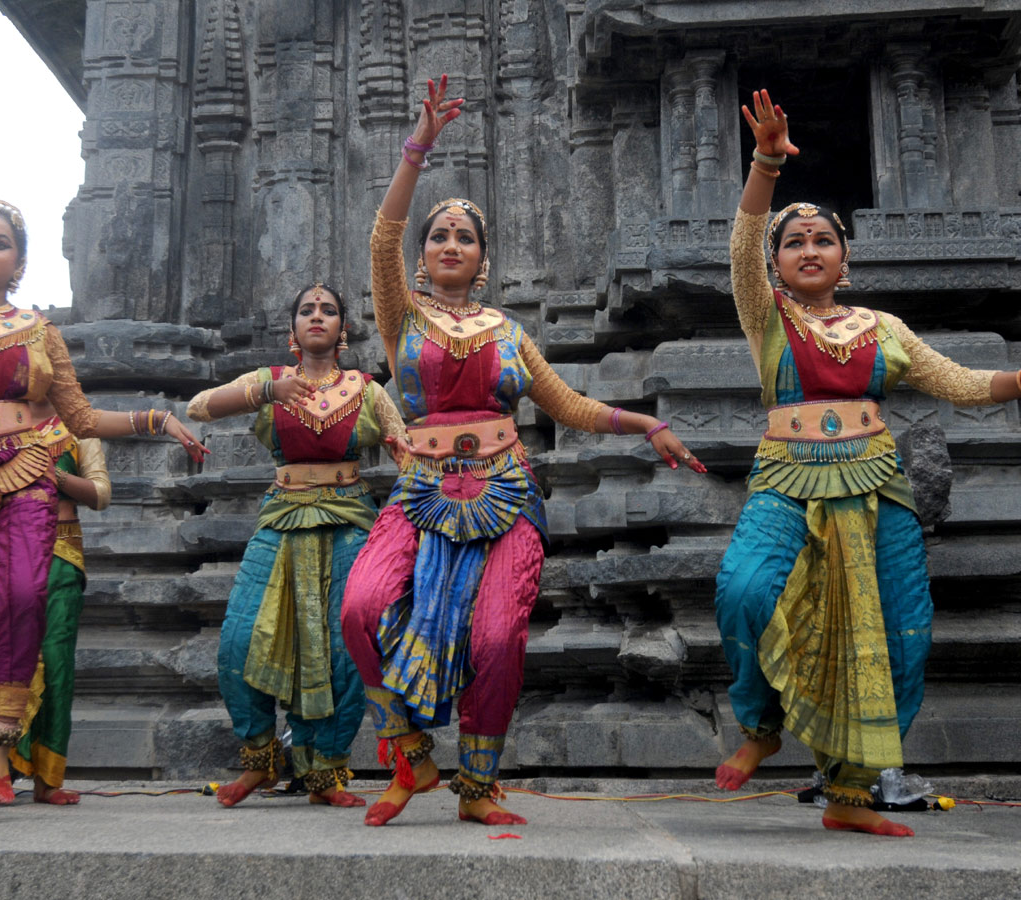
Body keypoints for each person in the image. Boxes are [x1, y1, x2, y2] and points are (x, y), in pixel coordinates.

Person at [340, 75, 706, 828]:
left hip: (505, 492)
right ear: (425, 253)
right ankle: (409, 752)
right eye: (438, 234)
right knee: (362, 606)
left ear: (482, 258)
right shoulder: (400, 318)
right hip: (420, 489)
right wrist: (420, 145)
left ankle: (478, 786)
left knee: (498, 636)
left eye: (464, 236)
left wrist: (645, 425)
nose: (449, 244)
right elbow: (382, 235)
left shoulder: (509, 332)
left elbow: (566, 404)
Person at [714, 91, 1021, 837]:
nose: (810, 248)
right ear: (779, 266)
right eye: (795, 242)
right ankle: (761, 724)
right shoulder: (767, 316)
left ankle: (850, 794)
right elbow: (743, 240)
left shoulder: (883, 328)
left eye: (824, 240)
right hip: (788, 474)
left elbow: (964, 385)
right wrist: (765, 165)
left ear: (845, 261)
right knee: (746, 591)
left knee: (896, 627)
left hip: (877, 483)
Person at [0, 163, 207, 823]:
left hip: (24, 472)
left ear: (19, 261)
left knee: (21, 595)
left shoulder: (40, 332)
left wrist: (156, 420)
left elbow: (81, 421)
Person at [187, 283, 406, 808]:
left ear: (343, 330)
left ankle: (325, 773)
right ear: (291, 332)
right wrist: (266, 393)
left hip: (349, 522)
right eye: (306, 310)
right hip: (281, 520)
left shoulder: (367, 389)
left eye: (328, 310)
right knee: (240, 640)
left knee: (339, 650)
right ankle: (260, 761)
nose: (317, 316)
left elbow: (405, 449)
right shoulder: (270, 382)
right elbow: (199, 407)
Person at [8, 399, 111, 805]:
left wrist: (54, 476)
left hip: (61, 556)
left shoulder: (77, 428)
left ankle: (47, 779)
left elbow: (101, 494)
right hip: (6, 551)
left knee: (56, 663)